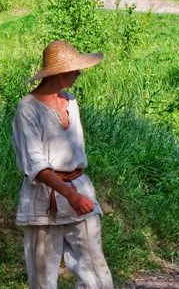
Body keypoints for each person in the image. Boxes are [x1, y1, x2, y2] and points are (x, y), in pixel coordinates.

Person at [11, 40, 114, 289]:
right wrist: (70, 195)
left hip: (80, 191)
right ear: (58, 72)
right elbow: (36, 163)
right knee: (43, 278)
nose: (78, 73)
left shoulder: (71, 101)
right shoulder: (28, 109)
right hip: (44, 200)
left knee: (96, 273)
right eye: (74, 68)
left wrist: (78, 195)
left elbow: (73, 151)